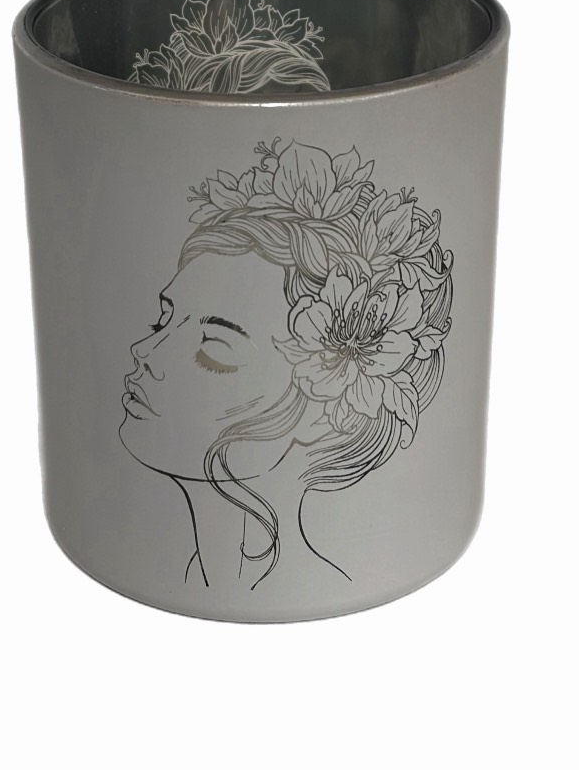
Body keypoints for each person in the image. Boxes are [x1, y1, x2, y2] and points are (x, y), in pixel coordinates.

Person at [120, 138, 453, 591]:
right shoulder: (187, 576)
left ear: (325, 409)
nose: (145, 352)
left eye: (214, 348)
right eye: (162, 321)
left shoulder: (342, 587)